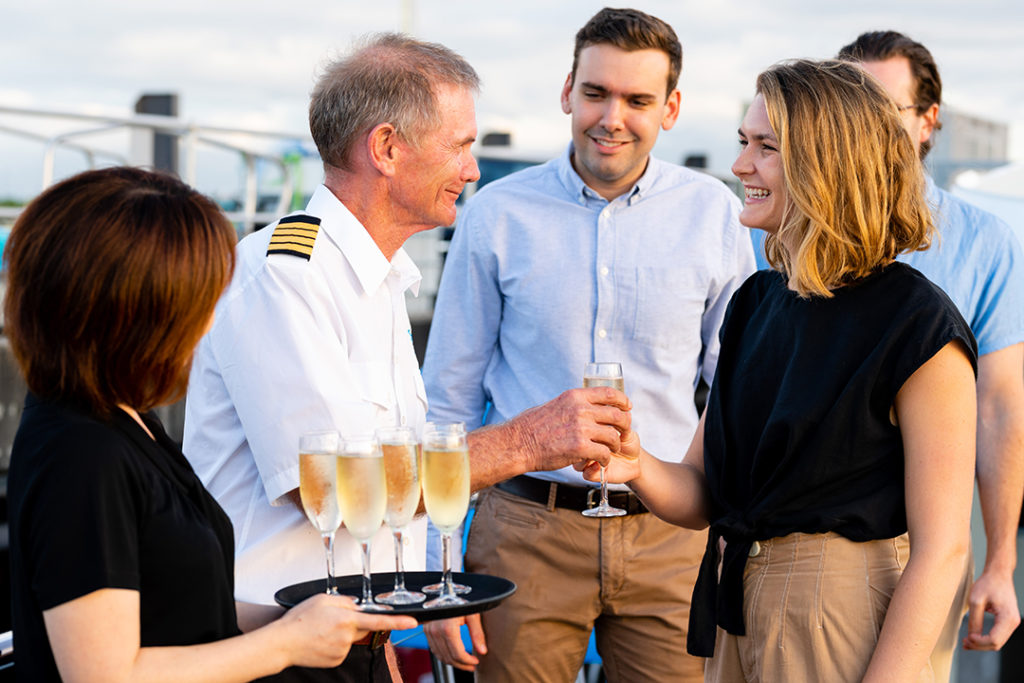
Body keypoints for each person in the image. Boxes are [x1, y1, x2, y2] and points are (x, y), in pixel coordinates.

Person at [183, 34, 630, 682]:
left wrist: (382, 641)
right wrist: (531, 440)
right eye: (460, 146)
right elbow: (337, 487)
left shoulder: (377, 277)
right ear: (387, 148)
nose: (473, 169)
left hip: (346, 639)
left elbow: (374, 509)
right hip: (273, 651)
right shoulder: (287, 276)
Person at [588, 58, 978, 682]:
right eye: (745, 143)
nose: (741, 165)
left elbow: (944, 550)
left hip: (840, 619)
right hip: (736, 606)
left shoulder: (918, 323)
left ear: (830, 164)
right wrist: (633, 463)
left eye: (766, 147)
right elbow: (703, 493)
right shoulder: (754, 303)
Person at [422, 8, 755, 681]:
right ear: (568, 89)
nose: (612, 118)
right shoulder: (497, 213)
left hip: (670, 536)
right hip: (524, 532)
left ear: (671, 108)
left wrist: (730, 533)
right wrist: (439, 571)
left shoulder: (713, 212)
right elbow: (447, 397)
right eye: (597, 93)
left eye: (638, 100)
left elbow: (738, 392)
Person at [4, 167, 417, 683]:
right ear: (146, 312)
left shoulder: (122, 425)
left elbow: (174, 607)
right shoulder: (83, 454)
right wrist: (287, 641)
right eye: (203, 296)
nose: (210, 316)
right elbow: (103, 674)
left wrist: (300, 618)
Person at [839, 31, 1024, 658]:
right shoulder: (782, 238)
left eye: (884, 110)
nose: (865, 128)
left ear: (927, 122)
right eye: (850, 108)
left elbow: (999, 409)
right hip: (800, 537)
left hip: (933, 535)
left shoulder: (985, 244)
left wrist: (1000, 562)